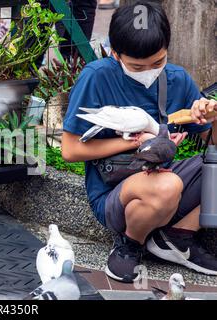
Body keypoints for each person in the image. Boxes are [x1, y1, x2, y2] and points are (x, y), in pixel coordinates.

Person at [62, 1, 217, 283]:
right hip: (117, 195)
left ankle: (178, 236)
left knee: (168, 184)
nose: (148, 70)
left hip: (167, 186)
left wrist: (213, 117)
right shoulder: (97, 77)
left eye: (158, 62)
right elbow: (70, 150)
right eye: (136, 65)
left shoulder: (177, 79)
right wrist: (139, 141)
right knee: (167, 186)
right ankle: (130, 243)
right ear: (114, 53)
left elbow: (212, 144)